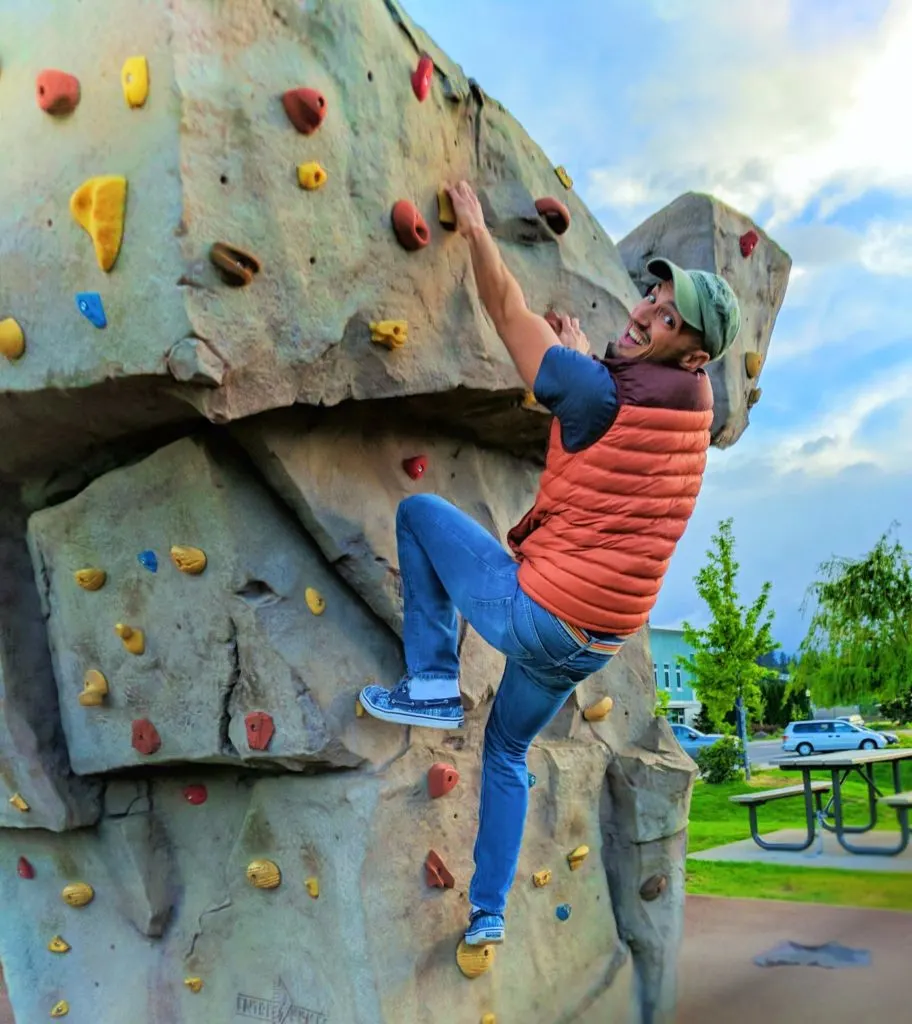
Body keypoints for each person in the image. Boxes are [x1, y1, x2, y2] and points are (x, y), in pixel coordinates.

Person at [359, 180, 741, 948]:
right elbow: (604, 413)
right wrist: (573, 358)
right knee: (505, 749)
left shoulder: (594, 390)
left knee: (420, 515)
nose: (643, 313)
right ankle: (490, 912)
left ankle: (432, 683)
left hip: (540, 617)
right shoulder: (693, 409)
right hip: (596, 643)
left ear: (693, 351)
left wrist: (474, 227)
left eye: (666, 318)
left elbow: (507, 314)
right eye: (652, 297)